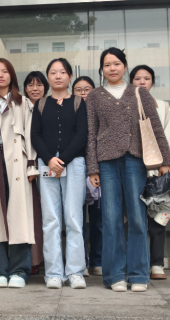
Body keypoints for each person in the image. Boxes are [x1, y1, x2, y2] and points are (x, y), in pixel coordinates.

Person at [86, 48, 170, 293]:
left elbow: (155, 126)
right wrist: (92, 167)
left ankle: (139, 274)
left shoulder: (139, 92)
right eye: (107, 65)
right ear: (102, 69)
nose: (112, 68)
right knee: (111, 218)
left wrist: (165, 159)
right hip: (106, 162)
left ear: (125, 66)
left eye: (116, 63)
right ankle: (115, 275)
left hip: (135, 159)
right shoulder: (94, 96)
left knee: (137, 217)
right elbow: (91, 133)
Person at [31, 58, 88, 290]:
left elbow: (82, 134)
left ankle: (75, 272)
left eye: (62, 72)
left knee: (73, 219)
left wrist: (62, 159)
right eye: (53, 72)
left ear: (69, 77)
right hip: (47, 164)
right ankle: (53, 273)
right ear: (48, 77)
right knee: (51, 220)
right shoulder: (40, 104)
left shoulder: (78, 102)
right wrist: (49, 159)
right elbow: (35, 135)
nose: (57, 76)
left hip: (73, 164)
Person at [0, 59, 39, 288]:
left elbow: (31, 135)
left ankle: (19, 271)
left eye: (4, 71)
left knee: (19, 217)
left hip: (18, 165)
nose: (0, 75)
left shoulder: (23, 102)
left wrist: (32, 165)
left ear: (11, 75)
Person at [130, 65, 170, 281]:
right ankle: (136, 263)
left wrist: (165, 162)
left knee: (158, 218)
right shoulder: (126, 104)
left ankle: (157, 264)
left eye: (146, 78)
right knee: (134, 217)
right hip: (133, 167)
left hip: (157, 169)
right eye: (137, 78)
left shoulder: (163, 107)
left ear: (152, 82)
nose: (142, 82)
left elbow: (167, 135)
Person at [72, 76, 102, 278]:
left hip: (98, 170)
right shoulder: (69, 111)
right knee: (77, 219)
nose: (83, 93)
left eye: (87, 89)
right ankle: (80, 261)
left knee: (99, 218)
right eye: (78, 89)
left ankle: (98, 261)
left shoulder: (100, 110)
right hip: (75, 168)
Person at [22, 71, 50, 275]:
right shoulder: (20, 107)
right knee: (30, 215)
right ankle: (32, 260)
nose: (35, 88)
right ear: (24, 88)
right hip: (25, 168)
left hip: (49, 165)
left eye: (39, 84)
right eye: (30, 84)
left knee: (46, 215)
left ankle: (43, 259)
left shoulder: (50, 106)